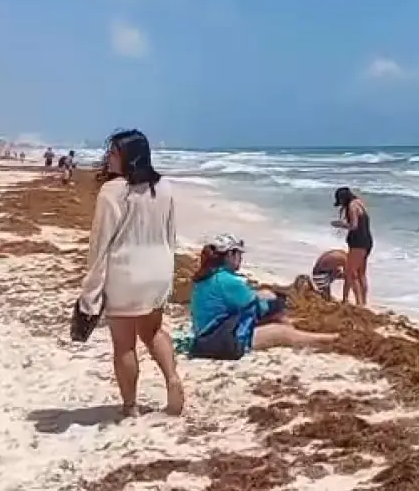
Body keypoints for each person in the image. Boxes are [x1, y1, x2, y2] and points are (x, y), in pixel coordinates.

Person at [77, 130, 184, 418]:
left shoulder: (113, 191)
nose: (109, 157)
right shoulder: (165, 187)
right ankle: (172, 379)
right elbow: (170, 234)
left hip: (125, 272)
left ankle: (130, 406)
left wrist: (91, 290)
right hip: (158, 269)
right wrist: (169, 274)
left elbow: (100, 244)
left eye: (114, 152)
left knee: (124, 345)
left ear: (129, 156)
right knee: (152, 332)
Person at [190, 234, 336, 352]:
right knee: (281, 333)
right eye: (238, 254)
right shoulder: (228, 281)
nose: (241, 258)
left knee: (267, 301)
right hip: (219, 342)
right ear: (229, 255)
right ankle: (328, 339)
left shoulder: (210, 276)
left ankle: (289, 324)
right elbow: (257, 307)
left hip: (206, 335)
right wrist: (277, 303)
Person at [332, 187, 373, 306]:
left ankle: (345, 300)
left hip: (358, 243)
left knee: (349, 273)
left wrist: (340, 225)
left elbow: (354, 226)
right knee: (361, 274)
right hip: (367, 241)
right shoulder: (359, 202)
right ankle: (363, 303)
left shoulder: (351, 206)